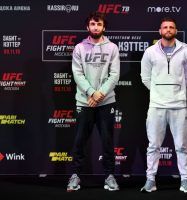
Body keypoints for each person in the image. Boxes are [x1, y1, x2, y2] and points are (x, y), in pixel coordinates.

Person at [140, 17, 187, 193]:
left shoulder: (185, 51)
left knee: (181, 146)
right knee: (153, 146)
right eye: (165, 27)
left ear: (176, 31)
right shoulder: (150, 52)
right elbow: (145, 77)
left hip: (179, 105)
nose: (168, 29)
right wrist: (158, 92)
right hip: (156, 105)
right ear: (160, 30)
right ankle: (150, 180)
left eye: (171, 27)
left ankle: (185, 180)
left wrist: (176, 91)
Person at [67, 11, 120, 192]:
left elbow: (114, 75)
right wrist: (91, 92)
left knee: (107, 140)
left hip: (106, 102)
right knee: (80, 140)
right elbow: (77, 73)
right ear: (87, 27)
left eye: (99, 24)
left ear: (103, 27)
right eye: (92, 24)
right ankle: (75, 176)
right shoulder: (79, 48)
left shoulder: (112, 47)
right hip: (84, 101)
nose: (95, 27)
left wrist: (100, 94)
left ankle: (110, 176)